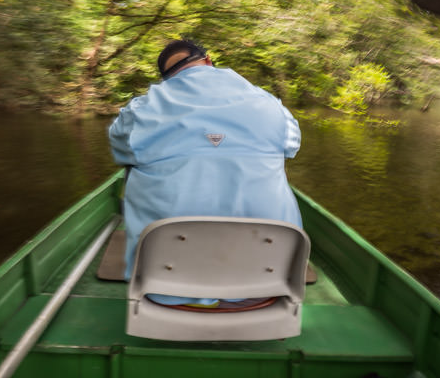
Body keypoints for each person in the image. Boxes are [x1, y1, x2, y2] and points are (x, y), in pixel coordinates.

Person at [108, 39, 302, 306]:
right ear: (209, 60)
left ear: (165, 77)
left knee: (135, 169)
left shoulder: (140, 110)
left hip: (166, 288)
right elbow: (292, 147)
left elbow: (121, 150)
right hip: (266, 284)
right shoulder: (272, 106)